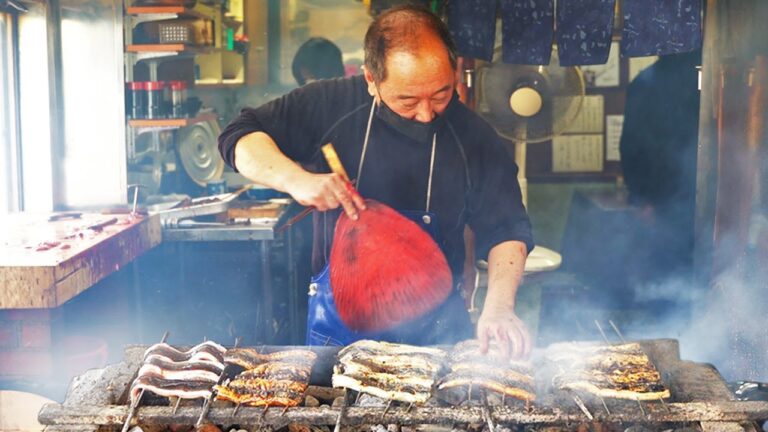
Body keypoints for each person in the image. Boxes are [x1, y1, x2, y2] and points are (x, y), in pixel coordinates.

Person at [218, 5, 534, 357]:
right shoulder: (330, 104)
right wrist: (296, 179)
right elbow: (238, 136)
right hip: (338, 338)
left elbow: (507, 230)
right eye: (408, 99)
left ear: (454, 70)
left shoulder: (474, 138)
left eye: (442, 94)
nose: (426, 113)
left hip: (437, 336)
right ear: (371, 80)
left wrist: (499, 308)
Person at [619, 50, 701, 287]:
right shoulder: (711, 74)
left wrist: (640, 199)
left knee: (667, 273)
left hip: (662, 198)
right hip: (685, 196)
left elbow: (629, 147)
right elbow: (632, 146)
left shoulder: (645, 81)